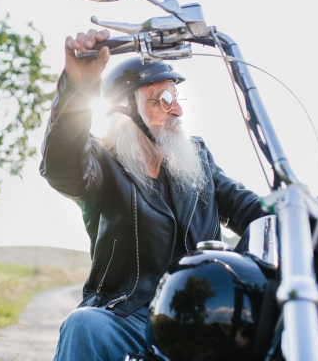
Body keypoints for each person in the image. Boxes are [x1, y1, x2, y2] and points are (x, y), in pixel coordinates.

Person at [39, 29, 265, 361]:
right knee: (83, 326)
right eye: (164, 100)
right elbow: (62, 164)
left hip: (205, 312)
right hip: (131, 317)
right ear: (128, 109)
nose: (177, 111)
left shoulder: (197, 158)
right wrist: (76, 89)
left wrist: (304, 217)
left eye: (178, 99)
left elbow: (247, 207)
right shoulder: (102, 165)